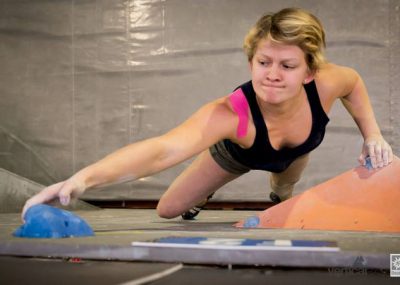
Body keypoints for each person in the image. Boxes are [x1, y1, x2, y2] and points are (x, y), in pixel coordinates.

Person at [22, 7, 393, 221]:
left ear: (309, 72)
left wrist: (372, 134)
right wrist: (81, 180)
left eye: (287, 65)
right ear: (251, 61)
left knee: (283, 190)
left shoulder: (328, 81)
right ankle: (205, 191)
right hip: (238, 153)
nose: (273, 74)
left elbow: (355, 84)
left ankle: (280, 193)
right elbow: (161, 150)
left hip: (296, 151)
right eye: (263, 62)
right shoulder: (230, 114)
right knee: (169, 209)